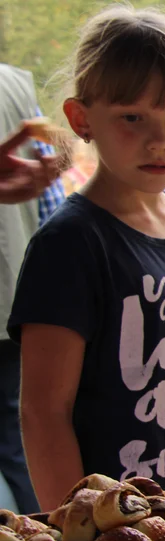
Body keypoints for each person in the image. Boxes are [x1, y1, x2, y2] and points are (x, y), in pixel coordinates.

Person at [7, 6, 165, 511]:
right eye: (132, 117)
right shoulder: (71, 244)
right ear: (82, 119)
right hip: (117, 536)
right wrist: (79, 532)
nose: (159, 140)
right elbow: (43, 413)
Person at [0, 67, 64, 514]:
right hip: (13, 301)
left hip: (13, 306)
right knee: (18, 440)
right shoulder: (15, 84)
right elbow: (51, 200)